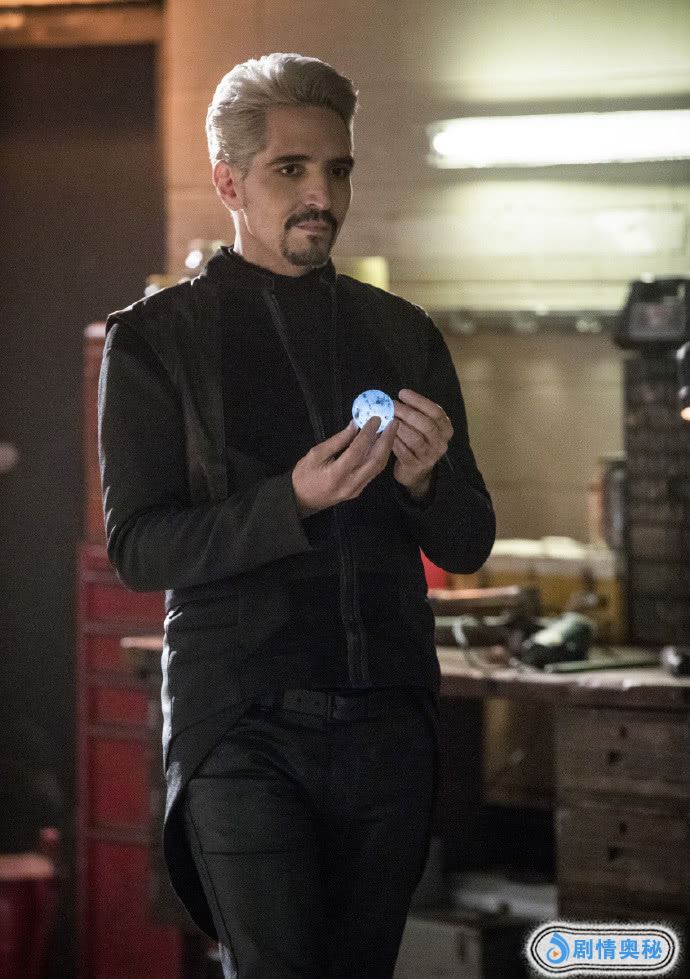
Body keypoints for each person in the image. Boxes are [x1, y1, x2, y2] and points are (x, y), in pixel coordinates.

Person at [98, 52, 495, 979]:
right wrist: (292, 501)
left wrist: (427, 484)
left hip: (389, 721)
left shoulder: (403, 332)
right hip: (242, 722)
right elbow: (139, 547)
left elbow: (469, 539)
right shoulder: (154, 339)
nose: (323, 195)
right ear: (228, 183)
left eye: (338, 169)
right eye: (292, 169)